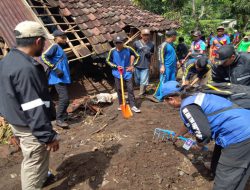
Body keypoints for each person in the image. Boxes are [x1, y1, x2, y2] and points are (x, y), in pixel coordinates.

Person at [0, 21, 59, 190]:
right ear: (38, 41)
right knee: (34, 161)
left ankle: (43, 176)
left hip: (17, 120)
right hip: (30, 126)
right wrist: (48, 136)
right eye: (44, 42)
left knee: (35, 157)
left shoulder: (7, 61)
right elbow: (33, 107)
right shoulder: (26, 69)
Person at [161, 81, 250, 190]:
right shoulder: (193, 96)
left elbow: (203, 134)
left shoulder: (187, 106)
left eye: (165, 101)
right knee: (240, 173)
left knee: (226, 178)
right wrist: (178, 135)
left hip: (240, 135)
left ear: (171, 99)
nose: (166, 104)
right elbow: (189, 122)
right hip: (245, 123)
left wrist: (198, 145)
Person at [41, 30, 71, 128]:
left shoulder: (59, 48)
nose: (64, 39)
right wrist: (55, 68)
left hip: (62, 77)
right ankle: (59, 119)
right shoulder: (54, 46)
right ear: (56, 38)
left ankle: (64, 116)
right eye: (62, 37)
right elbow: (43, 57)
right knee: (64, 98)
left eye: (65, 37)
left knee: (65, 98)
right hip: (57, 78)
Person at [106, 35, 141, 113]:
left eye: (120, 43)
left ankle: (133, 105)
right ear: (115, 43)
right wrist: (115, 66)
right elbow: (108, 60)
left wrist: (132, 66)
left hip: (127, 72)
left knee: (130, 89)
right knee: (118, 89)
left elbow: (137, 56)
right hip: (117, 72)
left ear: (123, 43)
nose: (119, 45)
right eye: (117, 43)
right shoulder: (112, 51)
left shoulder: (128, 49)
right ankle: (121, 104)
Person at [153, 30, 178, 101]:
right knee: (164, 81)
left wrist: (177, 61)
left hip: (172, 67)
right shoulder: (164, 45)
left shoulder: (172, 44)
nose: (176, 38)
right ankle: (159, 96)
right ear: (173, 36)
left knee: (171, 81)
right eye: (176, 36)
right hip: (166, 67)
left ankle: (169, 95)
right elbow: (160, 56)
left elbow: (174, 54)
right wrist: (162, 66)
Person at [133, 28, 154, 96]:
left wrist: (151, 65)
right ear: (141, 35)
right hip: (137, 64)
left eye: (147, 35)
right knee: (137, 80)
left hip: (146, 65)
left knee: (143, 80)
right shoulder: (136, 43)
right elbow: (132, 54)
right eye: (144, 35)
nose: (146, 36)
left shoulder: (151, 44)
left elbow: (152, 55)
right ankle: (144, 90)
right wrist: (132, 64)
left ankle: (141, 93)